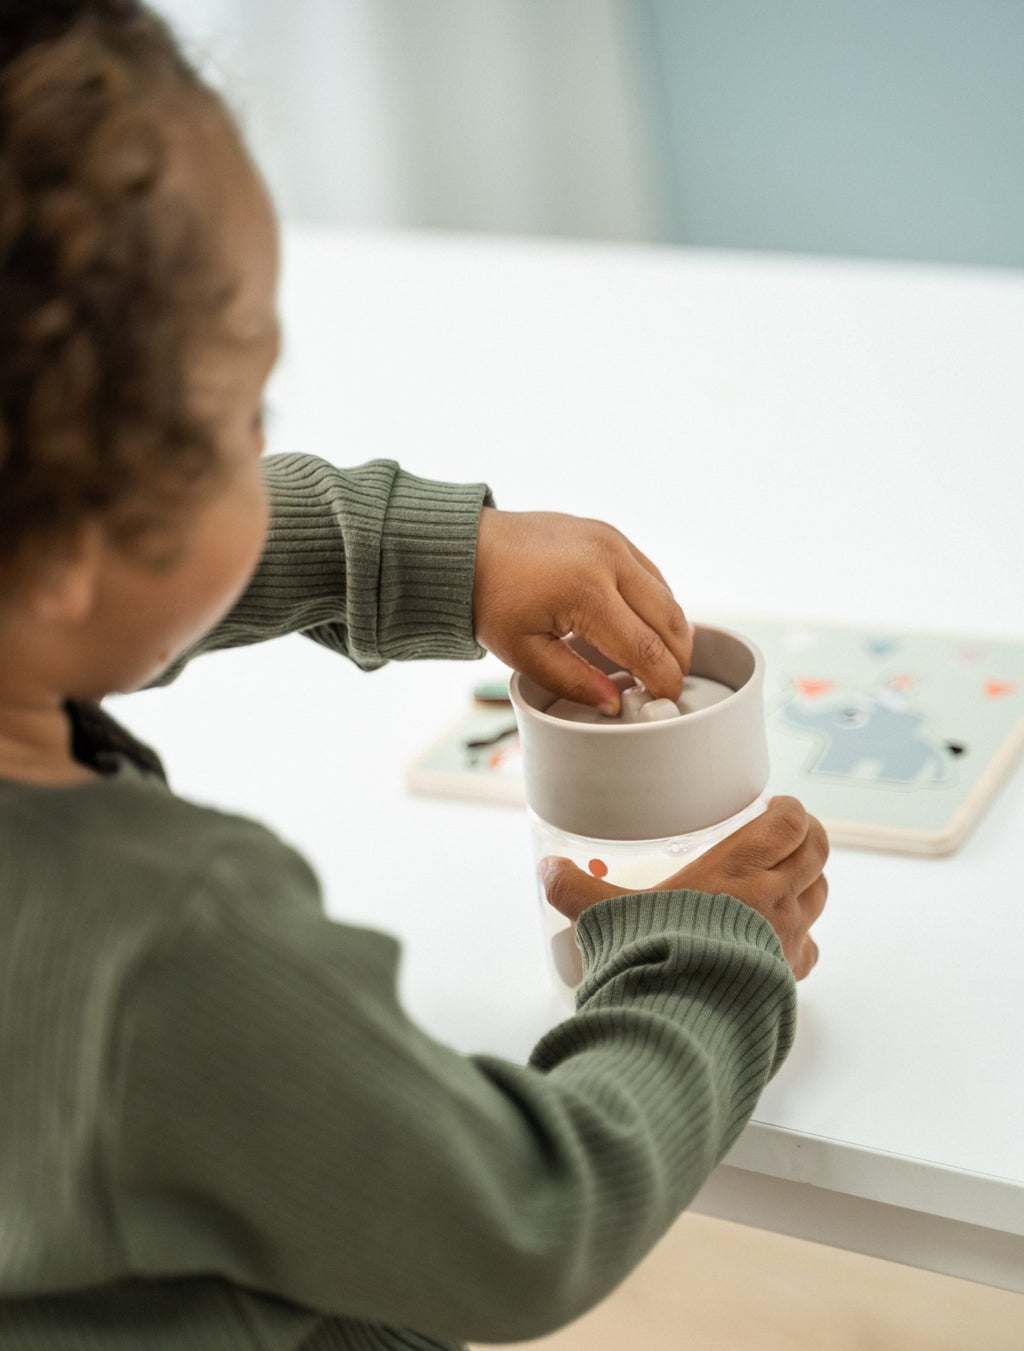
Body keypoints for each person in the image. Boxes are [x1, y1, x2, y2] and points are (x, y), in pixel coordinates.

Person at [0, 4, 828, 1349]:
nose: (262, 446)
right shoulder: (162, 952)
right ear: (67, 541)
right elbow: (523, 1219)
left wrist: (417, 551)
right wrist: (702, 957)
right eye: (243, 412)